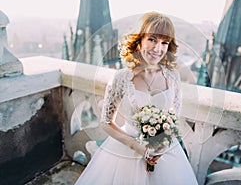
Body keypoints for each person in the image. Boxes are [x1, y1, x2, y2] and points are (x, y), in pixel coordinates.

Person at [75, 11, 198, 185]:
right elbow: (106, 121)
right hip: (126, 150)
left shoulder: (172, 76)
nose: (158, 48)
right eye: (152, 39)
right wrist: (137, 147)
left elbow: (174, 116)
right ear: (139, 40)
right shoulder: (122, 77)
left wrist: (163, 143)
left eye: (164, 42)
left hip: (164, 152)